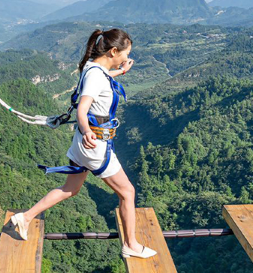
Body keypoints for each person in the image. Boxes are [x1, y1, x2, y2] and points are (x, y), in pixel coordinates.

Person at [11, 28, 157, 259]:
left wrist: (119, 71)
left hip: (81, 144)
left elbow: (98, 81)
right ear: (113, 51)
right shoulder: (96, 75)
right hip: (94, 145)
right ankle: (131, 244)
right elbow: (83, 108)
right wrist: (88, 131)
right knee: (128, 192)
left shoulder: (92, 67)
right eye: (125, 54)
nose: (127, 58)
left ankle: (25, 217)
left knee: (71, 188)